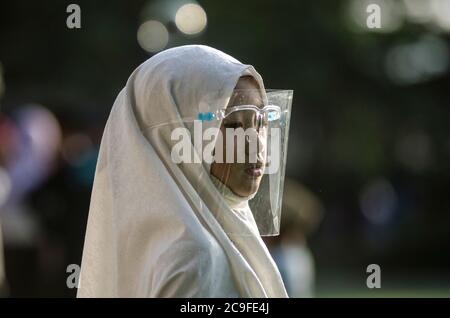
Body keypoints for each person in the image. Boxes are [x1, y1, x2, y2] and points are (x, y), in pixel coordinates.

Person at [78, 45, 292, 297]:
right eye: (233, 125)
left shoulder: (147, 243)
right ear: (174, 136)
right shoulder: (193, 257)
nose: (256, 143)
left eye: (260, 122)